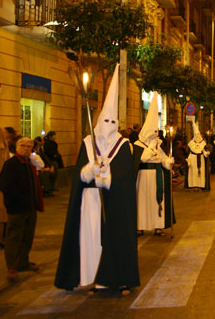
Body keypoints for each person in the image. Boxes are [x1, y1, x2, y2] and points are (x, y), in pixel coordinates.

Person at [55, 64, 139, 294]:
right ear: (99, 119)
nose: (109, 126)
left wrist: (106, 178)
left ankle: (115, 278)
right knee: (90, 239)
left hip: (114, 205)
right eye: (106, 121)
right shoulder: (87, 142)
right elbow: (79, 176)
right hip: (89, 202)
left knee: (112, 239)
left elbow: (124, 177)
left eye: (114, 122)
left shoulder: (123, 146)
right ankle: (90, 276)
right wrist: (89, 170)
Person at [0, 137, 44, 281]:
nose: (26, 149)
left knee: (27, 237)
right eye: (23, 146)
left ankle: (23, 263)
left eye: (29, 147)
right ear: (17, 147)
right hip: (17, 208)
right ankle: (12, 267)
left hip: (29, 207)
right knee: (14, 238)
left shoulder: (28, 164)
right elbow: (4, 185)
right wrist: (15, 200)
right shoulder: (11, 164)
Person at [134, 93, 175, 237]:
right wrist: (151, 149)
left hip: (157, 175)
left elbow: (163, 159)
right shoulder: (138, 144)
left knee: (158, 201)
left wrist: (168, 162)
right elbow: (142, 159)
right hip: (143, 176)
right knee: (142, 202)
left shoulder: (159, 144)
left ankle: (158, 227)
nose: (155, 135)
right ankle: (140, 226)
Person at [187, 120, 210, 191]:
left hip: (201, 159)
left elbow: (203, 152)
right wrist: (189, 160)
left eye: (198, 135)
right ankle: (193, 185)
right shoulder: (191, 143)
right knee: (193, 172)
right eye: (196, 135)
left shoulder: (203, 143)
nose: (197, 136)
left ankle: (200, 185)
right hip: (193, 159)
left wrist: (206, 153)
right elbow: (189, 153)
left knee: (200, 172)